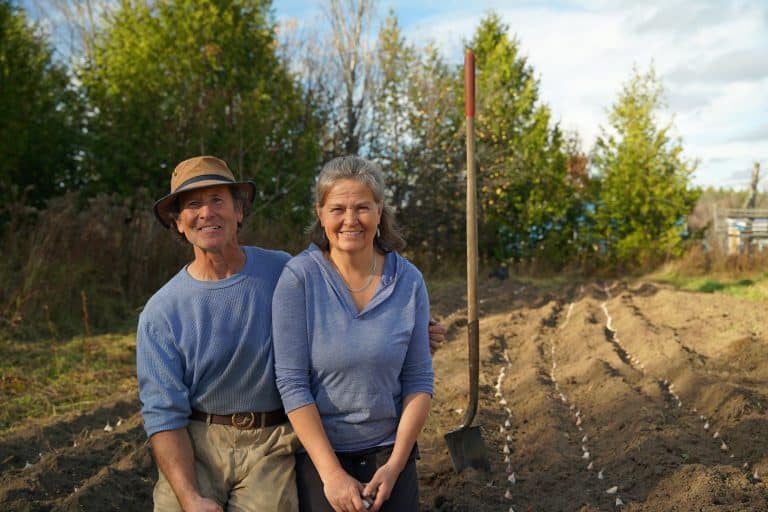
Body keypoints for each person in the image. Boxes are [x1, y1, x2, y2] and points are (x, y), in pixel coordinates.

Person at [137, 155, 446, 512]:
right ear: (178, 223)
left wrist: (412, 331)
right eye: (193, 205)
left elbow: (351, 305)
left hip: (272, 440)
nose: (207, 213)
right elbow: (163, 415)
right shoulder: (161, 312)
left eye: (217, 200)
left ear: (239, 211)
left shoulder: (281, 270)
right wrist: (189, 498)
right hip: (199, 439)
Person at [272, 156, 434, 512]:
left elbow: (419, 378)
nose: (350, 220)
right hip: (322, 456)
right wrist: (331, 474)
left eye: (362, 207)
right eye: (337, 209)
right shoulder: (299, 279)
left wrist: (395, 465)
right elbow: (292, 382)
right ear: (320, 213)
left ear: (379, 211)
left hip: (389, 453)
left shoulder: (408, 281)